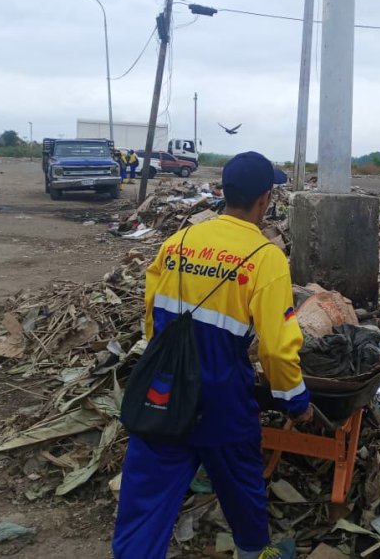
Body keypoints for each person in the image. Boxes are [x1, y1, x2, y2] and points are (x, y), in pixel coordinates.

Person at [113, 151, 311, 559]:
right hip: (223, 398)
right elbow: (277, 349)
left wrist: (169, 365)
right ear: (265, 199)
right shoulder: (265, 258)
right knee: (242, 486)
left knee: (144, 500)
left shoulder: (179, 242)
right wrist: (296, 402)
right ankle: (253, 553)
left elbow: (151, 319)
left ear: (223, 191)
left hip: (164, 391)